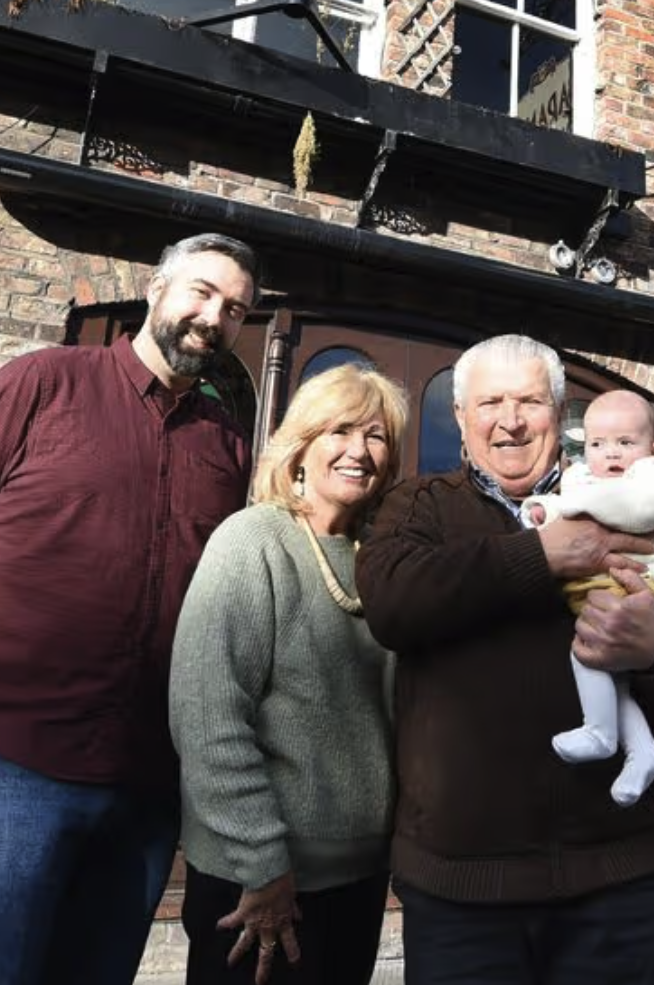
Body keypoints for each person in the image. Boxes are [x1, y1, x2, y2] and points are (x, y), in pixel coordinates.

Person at [0, 233, 261, 985]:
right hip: (13, 769)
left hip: (147, 787)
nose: (213, 317)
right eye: (200, 291)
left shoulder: (226, 444)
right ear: (155, 290)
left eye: (235, 309)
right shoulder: (43, 383)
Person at [357, 334, 654, 985]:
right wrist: (543, 556)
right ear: (462, 419)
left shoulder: (623, 500)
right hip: (463, 886)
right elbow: (392, 605)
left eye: (528, 401)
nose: (510, 419)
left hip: (616, 878)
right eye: (489, 402)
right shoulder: (420, 505)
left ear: (558, 412)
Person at [170, 362, 408, 985]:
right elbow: (208, 716)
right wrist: (262, 862)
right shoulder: (253, 541)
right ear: (300, 445)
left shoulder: (380, 561)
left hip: (358, 880)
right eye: (340, 431)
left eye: (377, 436)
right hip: (259, 883)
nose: (359, 451)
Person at [525, 390, 654, 806]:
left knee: (587, 653)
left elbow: (635, 510)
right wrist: (543, 511)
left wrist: (570, 505)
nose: (610, 455)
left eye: (624, 443)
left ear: (653, 448)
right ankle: (642, 750)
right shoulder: (587, 479)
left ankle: (600, 732)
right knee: (612, 678)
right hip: (600, 583)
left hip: (634, 581)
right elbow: (565, 511)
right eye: (598, 444)